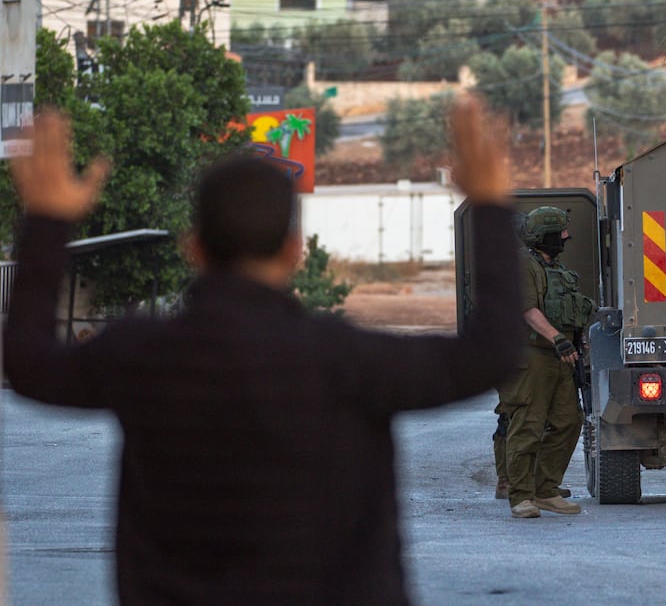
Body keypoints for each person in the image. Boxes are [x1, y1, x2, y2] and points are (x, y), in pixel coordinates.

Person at [3, 97, 521, 604]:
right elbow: (492, 352)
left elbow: (27, 362)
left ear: (195, 247)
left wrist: (47, 221)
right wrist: (491, 205)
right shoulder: (346, 360)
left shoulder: (141, 354)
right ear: (295, 250)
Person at [500, 206, 594, 518]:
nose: (567, 237)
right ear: (546, 236)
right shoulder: (523, 265)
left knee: (569, 421)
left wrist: (575, 339)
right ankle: (521, 496)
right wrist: (557, 337)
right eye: (562, 232)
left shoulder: (554, 268)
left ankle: (545, 489)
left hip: (560, 356)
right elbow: (527, 309)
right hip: (532, 357)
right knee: (528, 425)